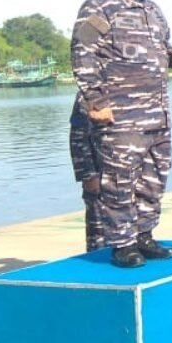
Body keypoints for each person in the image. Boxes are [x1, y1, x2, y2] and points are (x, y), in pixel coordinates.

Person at [71, 0, 172, 268]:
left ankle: (144, 235)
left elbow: (161, 49)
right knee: (119, 181)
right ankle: (122, 243)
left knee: (153, 178)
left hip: (156, 113)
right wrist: (96, 101)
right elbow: (82, 54)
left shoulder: (153, 10)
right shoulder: (100, 8)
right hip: (120, 116)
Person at [69, 99, 105, 252]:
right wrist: (88, 174)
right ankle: (96, 254)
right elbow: (78, 136)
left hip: (121, 170)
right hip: (96, 168)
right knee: (97, 214)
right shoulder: (89, 95)